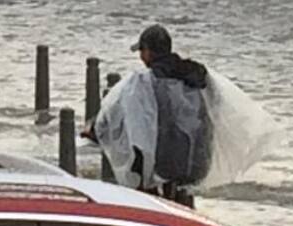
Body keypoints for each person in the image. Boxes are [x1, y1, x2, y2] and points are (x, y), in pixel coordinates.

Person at [87, 24, 281, 201]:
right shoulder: (197, 75)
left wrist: (95, 129)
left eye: (142, 51)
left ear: (148, 52)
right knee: (181, 201)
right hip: (194, 159)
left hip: (161, 161)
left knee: (152, 202)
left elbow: (115, 108)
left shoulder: (143, 81)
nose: (141, 57)